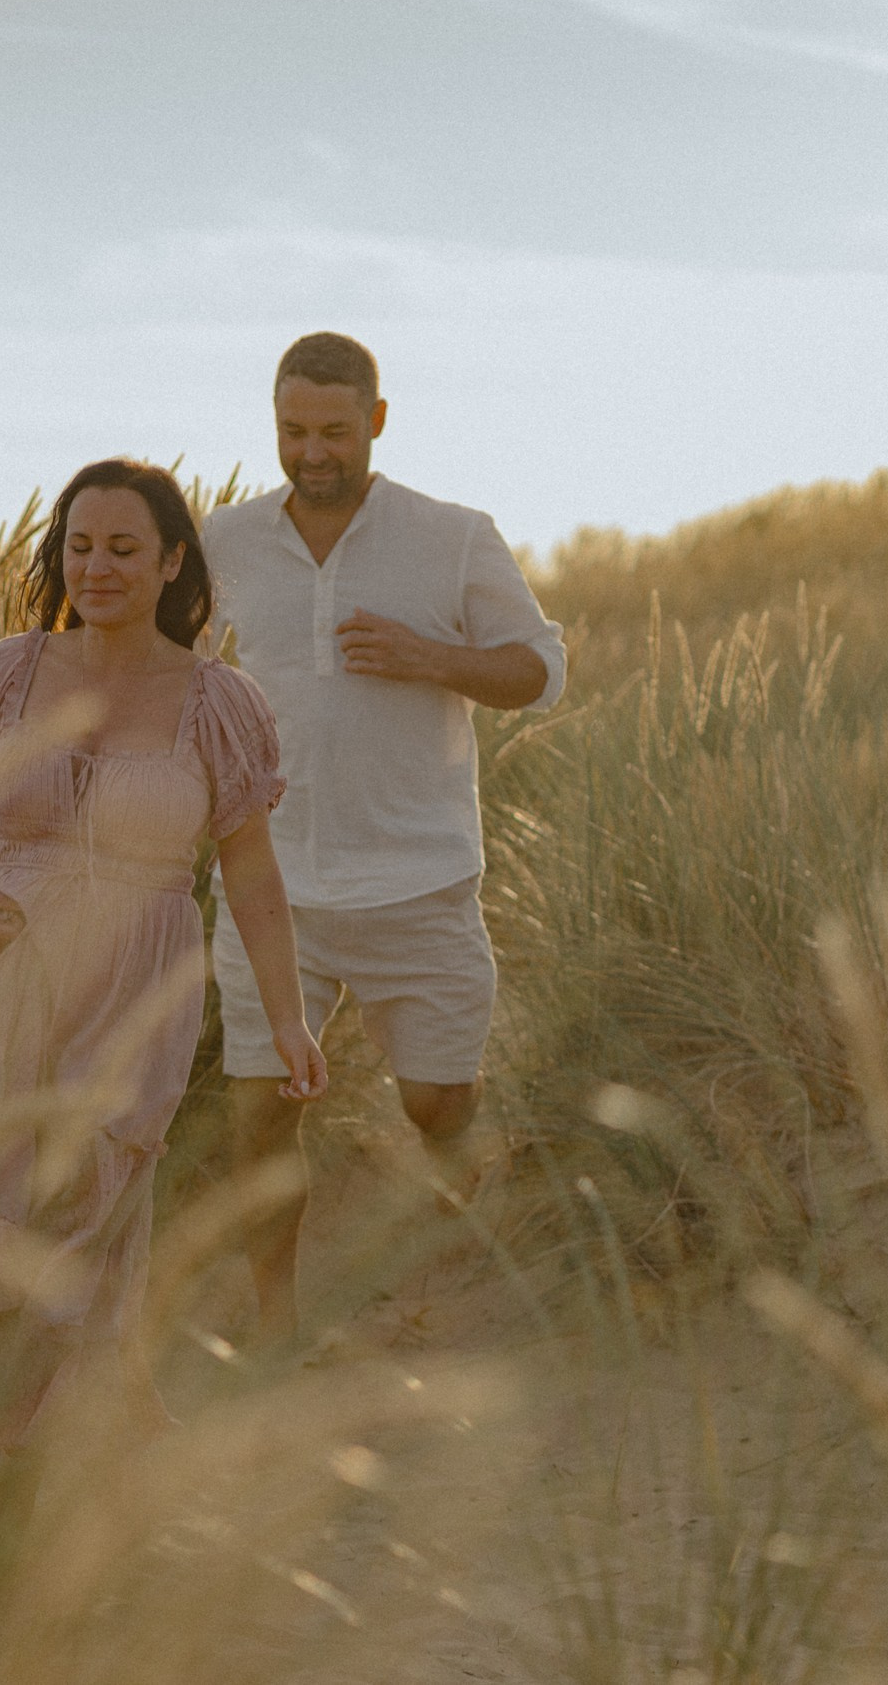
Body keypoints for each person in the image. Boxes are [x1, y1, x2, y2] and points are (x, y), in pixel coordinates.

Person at [0, 457, 329, 1448]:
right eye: (80, 546)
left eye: (123, 548)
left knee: (97, 1179)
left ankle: (52, 1415)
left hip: (142, 973)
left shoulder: (217, 699)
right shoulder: (9, 672)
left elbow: (252, 876)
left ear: (171, 561)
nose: (97, 567)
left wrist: (288, 1019)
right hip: (20, 957)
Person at [203, 332, 567, 1345]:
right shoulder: (224, 539)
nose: (311, 452)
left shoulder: (452, 537)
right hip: (273, 884)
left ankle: (453, 1237)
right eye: (291, 431)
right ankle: (275, 1328)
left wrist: (428, 656)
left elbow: (541, 672)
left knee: (437, 1105)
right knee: (262, 1116)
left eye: (332, 430)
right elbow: (168, 664)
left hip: (420, 881)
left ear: (376, 420)